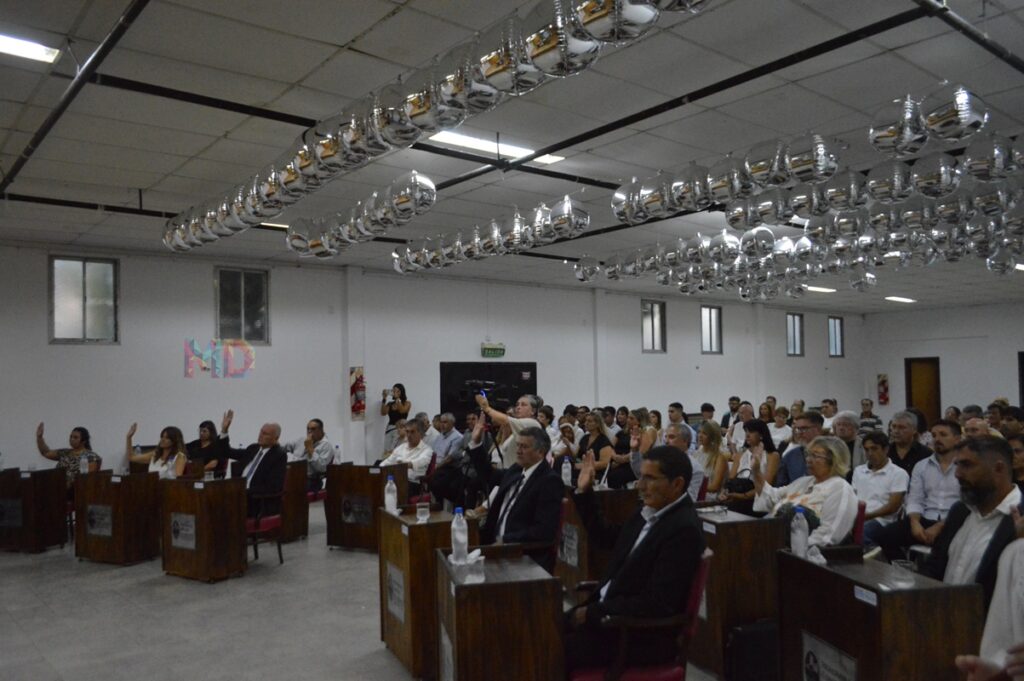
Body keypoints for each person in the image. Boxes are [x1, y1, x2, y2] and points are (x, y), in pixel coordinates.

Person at [565, 446, 704, 673]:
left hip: (637, 635)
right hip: (610, 617)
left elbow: (657, 603)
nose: (640, 485)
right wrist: (584, 491)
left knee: (544, 649)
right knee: (540, 629)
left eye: (650, 479)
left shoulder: (683, 530)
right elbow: (606, 537)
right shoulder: (648, 512)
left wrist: (592, 613)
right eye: (641, 477)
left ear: (677, 484)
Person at [921, 436, 1022, 609]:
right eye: (957, 465)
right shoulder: (960, 511)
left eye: (967, 465)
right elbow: (935, 565)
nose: (957, 474)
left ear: (998, 468)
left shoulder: (1019, 521)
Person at [875, 419, 963, 562]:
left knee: (944, 548)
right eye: (934, 435)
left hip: (953, 521)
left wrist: (940, 526)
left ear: (957, 439)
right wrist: (914, 523)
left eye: (943, 435)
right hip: (925, 517)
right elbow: (915, 498)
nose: (937, 439)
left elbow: (966, 504)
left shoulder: (965, 466)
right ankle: (904, 569)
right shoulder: (922, 466)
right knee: (886, 535)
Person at [478, 427, 563, 572]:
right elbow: (489, 475)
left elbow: (543, 530)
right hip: (494, 546)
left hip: (522, 555)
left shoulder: (549, 481)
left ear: (541, 451)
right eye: (518, 445)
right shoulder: (516, 470)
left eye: (524, 447)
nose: (518, 451)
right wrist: (476, 444)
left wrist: (506, 540)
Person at [752, 436, 859, 548]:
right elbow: (770, 498)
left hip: (799, 551)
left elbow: (829, 534)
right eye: (808, 454)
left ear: (834, 460)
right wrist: (756, 470)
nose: (808, 459)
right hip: (772, 541)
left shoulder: (840, 489)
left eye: (815, 456)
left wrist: (796, 549)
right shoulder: (804, 482)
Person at [851, 431, 909, 549]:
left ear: (886, 449)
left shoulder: (898, 473)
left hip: (882, 520)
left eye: (874, 449)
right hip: (859, 517)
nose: (870, 453)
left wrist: (866, 516)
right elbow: (853, 497)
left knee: (862, 533)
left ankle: (877, 556)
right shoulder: (858, 471)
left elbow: (893, 507)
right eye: (866, 449)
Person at [223, 423, 287, 517]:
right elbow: (227, 452)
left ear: (275, 438)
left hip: (257, 501)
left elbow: (273, 487)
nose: (260, 435)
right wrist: (224, 430)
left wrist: (245, 491)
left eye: (265, 434)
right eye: (261, 432)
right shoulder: (253, 448)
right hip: (239, 493)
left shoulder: (278, 455)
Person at [721, 419, 779, 513]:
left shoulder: (772, 456)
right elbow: (731, 479)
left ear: (761, 434)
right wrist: (726, 491)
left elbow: (766, 486)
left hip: (758, 500)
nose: (747, 435)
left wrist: (743, 496)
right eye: (746, 432)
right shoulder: (740, 455)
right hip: (737, 497)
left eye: (751, 432)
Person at [472, 392, 542, 469]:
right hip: (506, 471)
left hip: (517, 472)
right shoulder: (516, 430)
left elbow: (505, 420)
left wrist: (487, 408)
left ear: (533, 411)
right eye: (517, 404)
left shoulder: (532, 423)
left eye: (523, 405)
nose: (518, 407)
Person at [35, 422, 100, 493]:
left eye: (75, 437)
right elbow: (46, 453)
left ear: (84, 441)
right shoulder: (65, 452)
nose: (71, 439)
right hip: (56, 487)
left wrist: (67, 486)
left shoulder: (91, 457)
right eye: (71, 437)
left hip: (75, 491)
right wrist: (39, 438)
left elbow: (87, 478)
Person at [379, 419, 434, 490]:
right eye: (407, 432)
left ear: (420, 434)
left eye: (412, 432)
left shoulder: (427, 450)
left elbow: (420, 462)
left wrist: (403, 465)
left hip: (412, 484)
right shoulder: (401, 447)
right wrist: (378, 470)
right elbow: (387, 462)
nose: (409, 435)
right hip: (395, 480)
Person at [281, 418, 333, 493]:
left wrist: (310, 450)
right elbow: (285, 446)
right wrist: (274, 444)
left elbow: (322, 468)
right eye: (308, 429)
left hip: (310, 480)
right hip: (293, 475)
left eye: (313, 429)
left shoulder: (326, 446)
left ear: (321, 430)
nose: (309, 431)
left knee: (289, 489)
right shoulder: (302, 440)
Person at [775, 411, 824, 486]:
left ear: (818, 429)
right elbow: (780, 485)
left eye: (804, 428)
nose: (799, 433)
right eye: (798, 429)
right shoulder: (790, 456)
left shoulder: (832, 454)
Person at [664, 423, 704, 500]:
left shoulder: (695, 467)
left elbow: (690, 499)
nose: (666, 441)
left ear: (685, 441)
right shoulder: (660, 461)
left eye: (671, 437)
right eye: (666, 437)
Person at [185, 412, 232, 477]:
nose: (201, 433)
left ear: (211, 432)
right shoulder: (195, 444)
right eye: (200, 430)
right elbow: (182, 449)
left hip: (210, 476)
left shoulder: (216, 445)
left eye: (204, 431)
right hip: (193, 475)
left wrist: (199, 472)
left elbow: (213, 464)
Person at [888, 410, 932, 476]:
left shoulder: (926, 454)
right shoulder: (885, 451)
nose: (896, 431)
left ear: (914, 430)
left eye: (901, 427)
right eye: (894, 426)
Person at [694, 420, 729, 500]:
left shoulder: (719, 457)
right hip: (697, 494)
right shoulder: (696, 454)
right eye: (699, 432)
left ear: (712, 436)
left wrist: (694, 484)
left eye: (704, 433)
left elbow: (714, 487)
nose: (700, 436)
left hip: (711, 498)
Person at [832, 410, 867, 475]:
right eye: (838, 424)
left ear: (856, 427)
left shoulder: (864, 445)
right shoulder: (830, 445)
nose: (841, 428)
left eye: (845, 425)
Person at [380, 383, 411, 453]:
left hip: (401, 428)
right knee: (387, 449)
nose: (395, 392)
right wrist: (384, 398)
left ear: (402, 392)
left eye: (397, 391)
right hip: (390, 428)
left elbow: (402, 410)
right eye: (393, 390)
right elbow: (383, 413)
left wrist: (397, 399)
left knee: (397, 450)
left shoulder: (407, 403)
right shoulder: (390, 404)